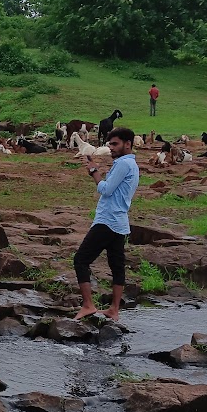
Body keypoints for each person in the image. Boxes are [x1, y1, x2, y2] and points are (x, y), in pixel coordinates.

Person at [74, 126, 139, 322]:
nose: (111, 147)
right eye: (110, 144)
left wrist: (94, 172)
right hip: (120, 223)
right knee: (117, 266)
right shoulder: (132, 165)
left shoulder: (123, 164)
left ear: (128, 144)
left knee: (80, 260)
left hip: (107, 221)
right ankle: (114, 310)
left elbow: (106, 189)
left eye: (115, 144)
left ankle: (88, 305)